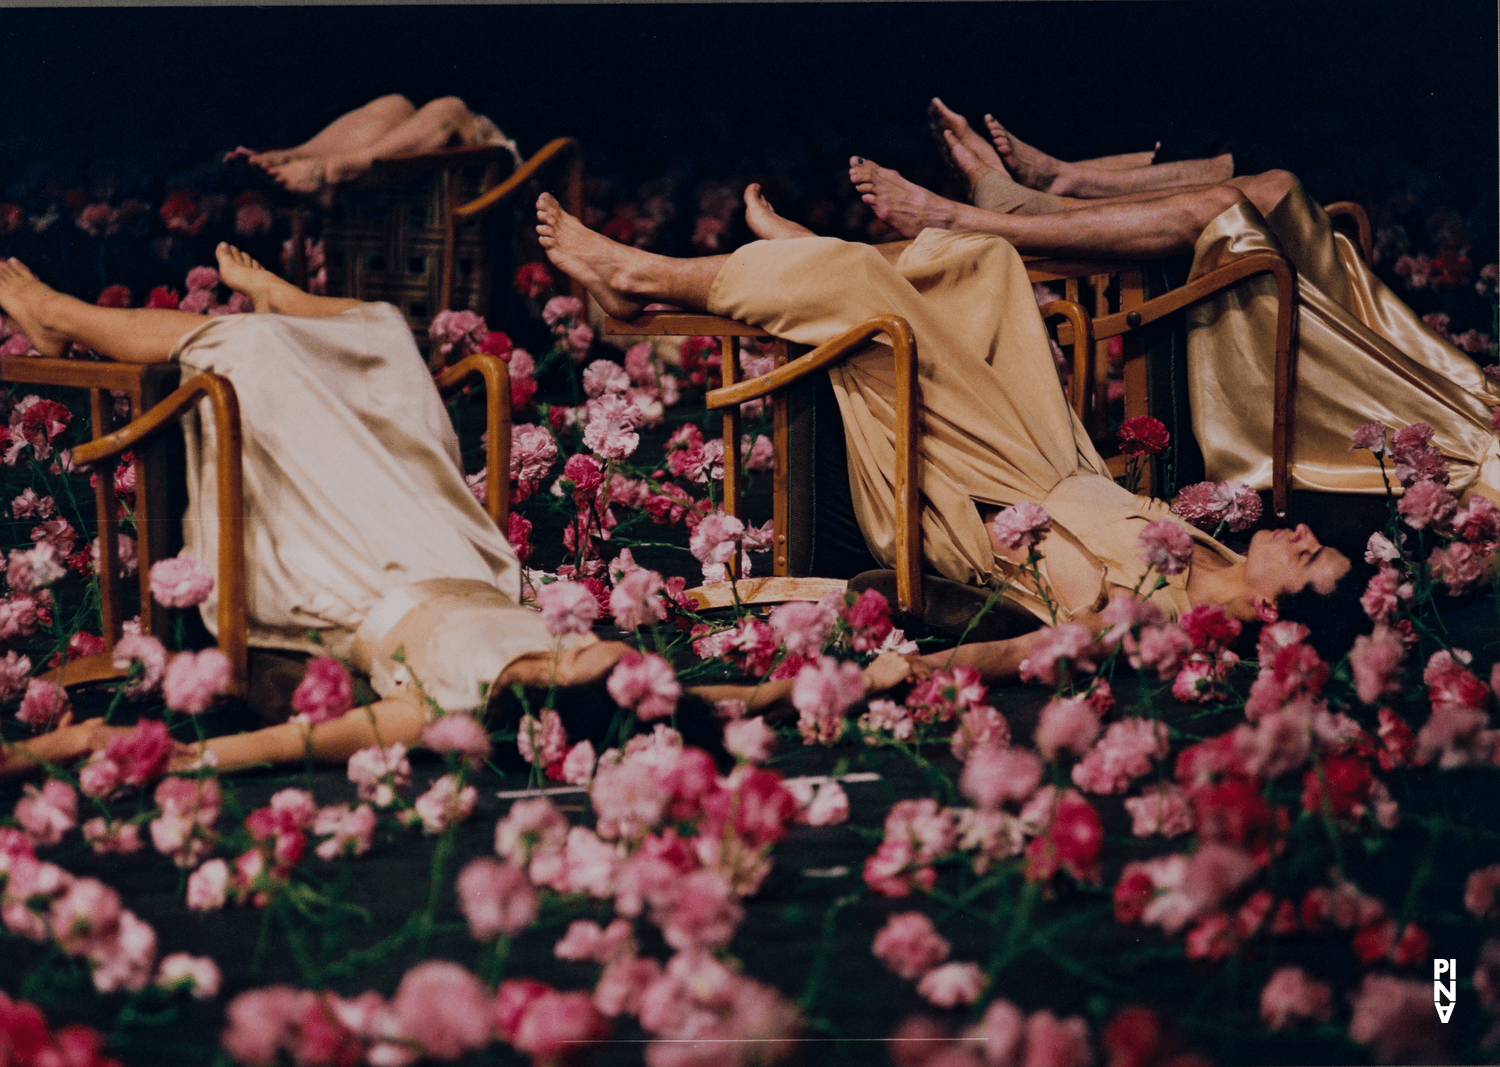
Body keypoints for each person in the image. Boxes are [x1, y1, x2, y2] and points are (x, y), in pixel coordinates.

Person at [0, 247, 916, 776]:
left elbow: (295, 743)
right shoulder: (601, 677)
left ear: (573, 698)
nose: (618, 652)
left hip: (353, 572)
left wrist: (109, 753)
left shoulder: (456, 708)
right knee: (390, 343)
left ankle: (62, 314)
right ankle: (311, 311)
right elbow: (735, 698)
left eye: (604, 666)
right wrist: (852, 681)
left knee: (255, 351)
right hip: (448, 545)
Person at [532, 185, 1364, 687]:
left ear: (1268, 611)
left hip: (968, 499)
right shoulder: (1212, 552)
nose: (1304, 533)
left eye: (1310, 557)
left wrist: (916, 672)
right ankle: (818, 259)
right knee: (988, 268)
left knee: (863, 289)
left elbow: (1032, 650)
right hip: (1045, 455)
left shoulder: (1158, 618)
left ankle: (642, 275)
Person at [847, 102, 1500, 505]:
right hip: (1457, 386)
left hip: (1441, 427)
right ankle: (1056, 191)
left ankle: (981, 220)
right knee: (1277, 185)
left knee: (1226, 210)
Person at [227, 94, 521, 196]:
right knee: (396, 106)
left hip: (509, 180)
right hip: (433, 177)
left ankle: (330, 169)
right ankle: (295, 155)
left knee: (450, 111)